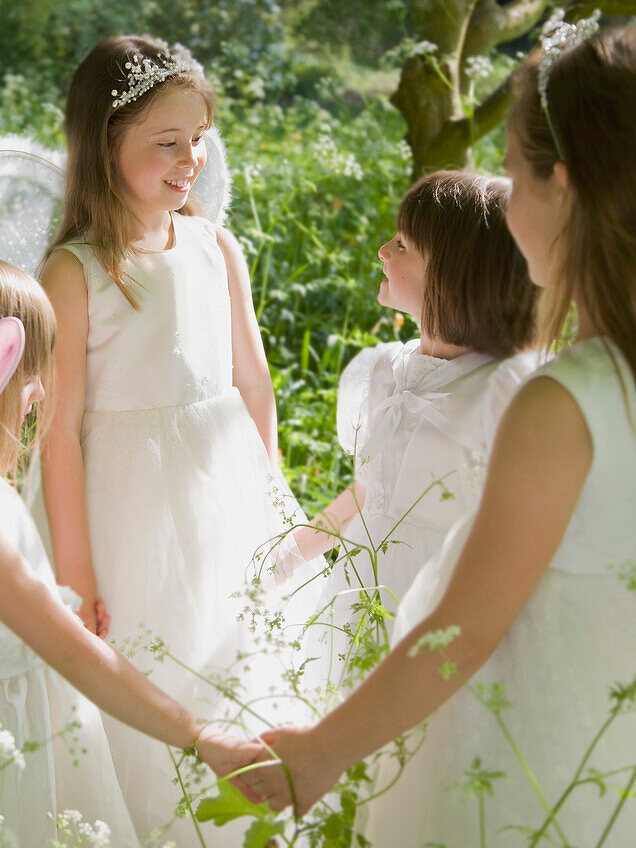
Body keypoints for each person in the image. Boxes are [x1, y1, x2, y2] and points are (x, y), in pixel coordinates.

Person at [244, 23, 636, 848]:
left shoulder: (557, 402)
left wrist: (316, 756)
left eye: (516, 174)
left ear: (560, 189)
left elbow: (465, 630)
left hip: (530, 749)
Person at [0, 250, 262, 847]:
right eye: (27, 372)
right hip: (5, 738)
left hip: (32, 712)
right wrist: (200, 737)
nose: (39, 393)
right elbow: (74, 656)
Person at [36, 35, 312, 844]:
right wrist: (76, 569)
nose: (189, 159)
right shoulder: (77, 269)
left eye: (198, 139)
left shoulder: (214, 247)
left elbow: (252, 387)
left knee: (236, 653)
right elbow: (60, 428)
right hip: (126, 509)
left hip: (223, 495)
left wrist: (271, 503)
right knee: (151, 661)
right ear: (103, 141)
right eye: (166, 143)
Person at [273, 170, 541, 698]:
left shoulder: (503, 389)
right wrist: (290, 555)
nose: (381, 251)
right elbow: (371, 493)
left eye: (402, 244)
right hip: (362, 591)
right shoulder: (380, 372)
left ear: (453, 274)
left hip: (444, 606)